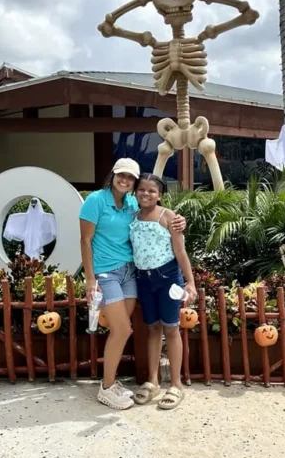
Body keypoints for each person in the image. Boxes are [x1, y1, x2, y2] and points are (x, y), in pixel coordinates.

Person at [79, 158, 185, 410]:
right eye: (121, 175)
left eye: (130, 178)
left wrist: (178, 221)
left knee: (121, 329)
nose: (124, 180)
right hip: (107, 274)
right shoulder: (95, 200)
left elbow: (155, 211)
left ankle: (113, 382)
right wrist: (90, 279)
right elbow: (85, 240)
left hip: (130, 271)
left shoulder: (131, 202)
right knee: (123, 330)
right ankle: (106, 387)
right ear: (113, 174)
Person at [130, 174, 197, 410]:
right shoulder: (132, 216)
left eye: (152, 191)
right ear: (135, 192)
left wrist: (190, 282)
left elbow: (180, 251)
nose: (146, 194)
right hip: (143, 279)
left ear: (160, 195)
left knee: (171, 327)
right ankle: (153, 380)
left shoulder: (168, 216)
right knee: (153, 328)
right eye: (142, 189)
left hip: (168, 278)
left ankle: (176, 384)